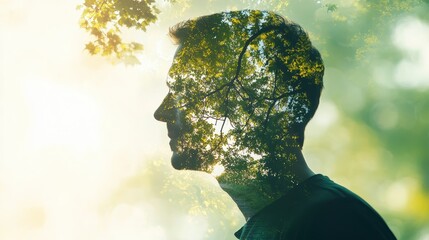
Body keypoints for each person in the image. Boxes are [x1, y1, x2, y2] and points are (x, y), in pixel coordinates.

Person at [154, 10, 396, 239]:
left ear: (251, 102)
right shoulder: (296, 220)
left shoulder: (333, 220)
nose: (161, 113)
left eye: (186, 91)